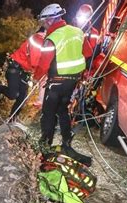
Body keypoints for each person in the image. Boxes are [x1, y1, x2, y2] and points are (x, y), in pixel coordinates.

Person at [33, 3, 92, 166]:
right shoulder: (78, 32)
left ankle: (45, 146)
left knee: (48, 114)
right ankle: (66, 141)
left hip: (56, 83)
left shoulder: (52, 38)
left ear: (50, 20)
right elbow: (87, 53)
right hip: (72, 81)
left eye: (44, 22)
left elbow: (43, 64)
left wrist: (36, 77)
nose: (43, 25)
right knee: (63, 109)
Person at [0, 27, 46, 121]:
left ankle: (12, 118)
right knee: (13, 94)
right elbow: (35, 62)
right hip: (15, 68)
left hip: (24, 72)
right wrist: (42, 71)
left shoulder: (44, 42)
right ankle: (0, 88)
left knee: (22, 97)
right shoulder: (37, 39)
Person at [74, 4, 101, 70]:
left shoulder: (94, 32)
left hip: (84, 64)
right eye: (79, 16)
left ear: (90, 18)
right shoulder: (70, 28)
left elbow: (92, 52)